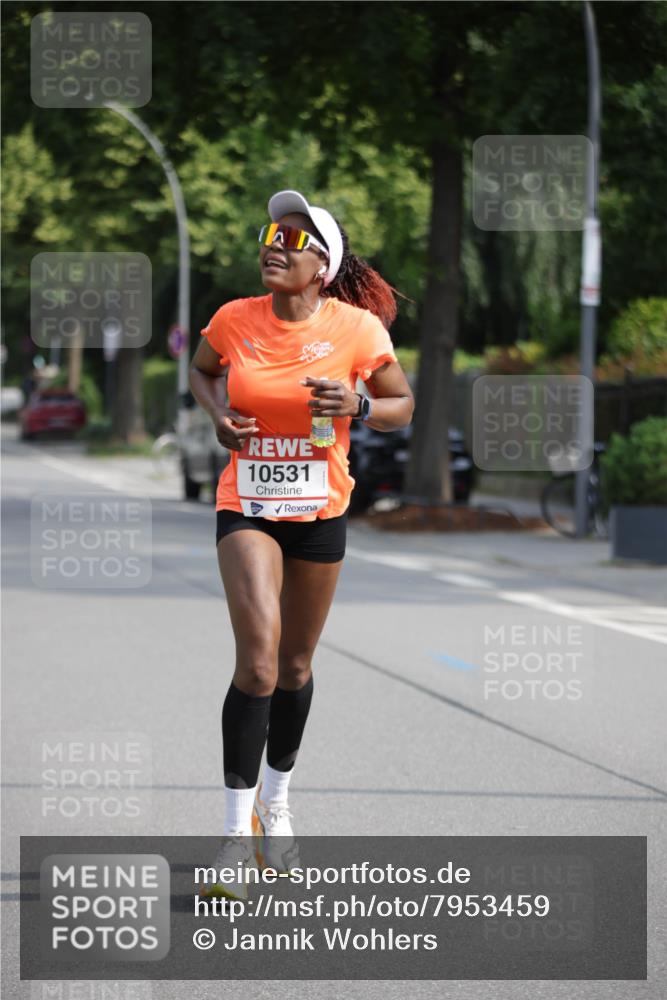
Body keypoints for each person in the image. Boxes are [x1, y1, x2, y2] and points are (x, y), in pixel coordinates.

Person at [189, 189, 414, 897]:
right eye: (269, 233)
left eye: (291, 239)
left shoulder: (356, 330)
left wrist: (359, 405)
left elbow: (401, 405)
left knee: (294, 665)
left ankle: (276, 804)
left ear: (322, 265)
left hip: (320, 508)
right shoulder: (233, 319)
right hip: (247, 504)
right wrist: (220, 416)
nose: (273, 245)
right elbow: (200, 370)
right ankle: (232, 838)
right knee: (255, 664)